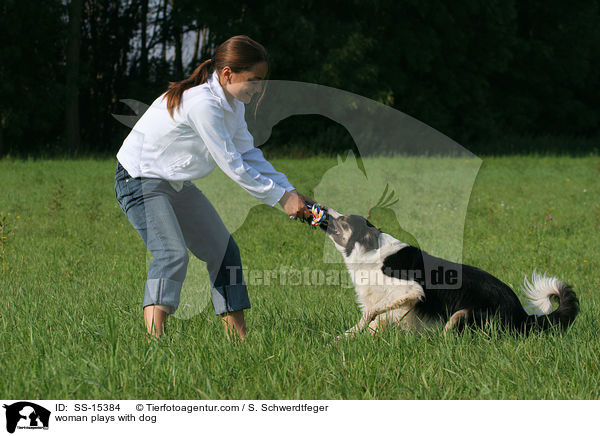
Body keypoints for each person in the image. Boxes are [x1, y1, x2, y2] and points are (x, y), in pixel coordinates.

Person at [114, 35, 312, 341]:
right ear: (228, 73)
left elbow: (248, 154)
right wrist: (281, 198)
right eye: (254, 80)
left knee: (223, 251)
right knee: (171, 254)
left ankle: (240, 345)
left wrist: (290, 191)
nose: (259, 88)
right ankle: (154, 348)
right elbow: (231, 163)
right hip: (139, 178)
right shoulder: (203, 103)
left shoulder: (232, 103)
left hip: (175, 182)